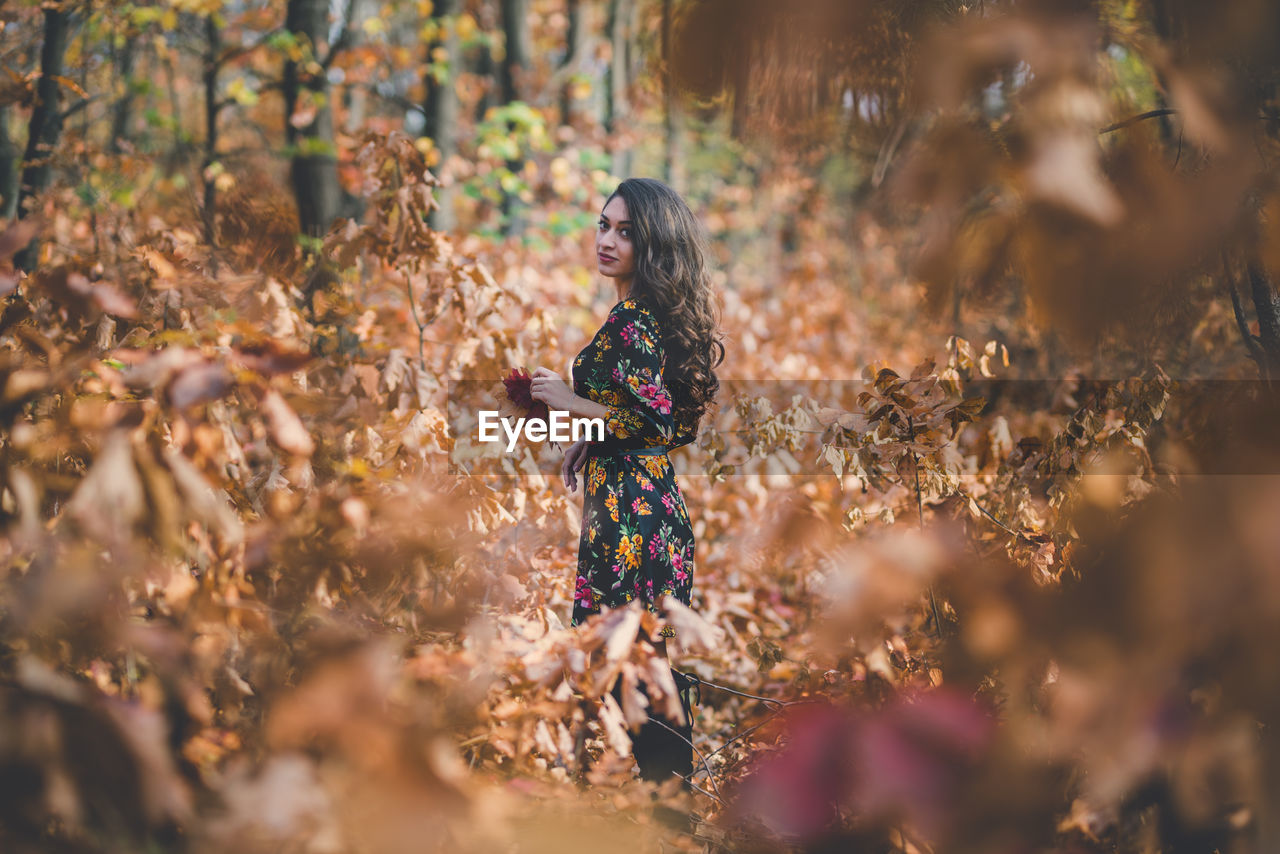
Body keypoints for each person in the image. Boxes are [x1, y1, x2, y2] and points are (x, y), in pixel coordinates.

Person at [529, 177, 725, 790]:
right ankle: (664, 810)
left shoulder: (632, 324)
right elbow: (652, 422)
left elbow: (655, 420)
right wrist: (592, 438)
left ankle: (668, 812)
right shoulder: (641, 317)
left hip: (633, 519)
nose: (607, 240)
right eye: (604, 225)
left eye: (626, 231)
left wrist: (567, 399)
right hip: (640, 506)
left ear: (655, 244)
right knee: (638, 664)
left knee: (631, 666)